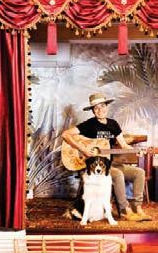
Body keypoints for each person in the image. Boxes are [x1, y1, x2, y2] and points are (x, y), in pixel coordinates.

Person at [62, 92, 152, 221]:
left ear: (107, 107)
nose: (100, 110)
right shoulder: (89, 124)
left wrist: (137, 151)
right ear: (93, 111)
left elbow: (124, 145)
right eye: (96, 108)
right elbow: (65, 134)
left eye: (102, 106)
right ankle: (125, 210)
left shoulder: (113, 124)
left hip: (110, 163)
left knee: (139, 172)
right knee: (118, 174)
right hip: (96, 167)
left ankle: (137, 208)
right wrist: (83, 149)